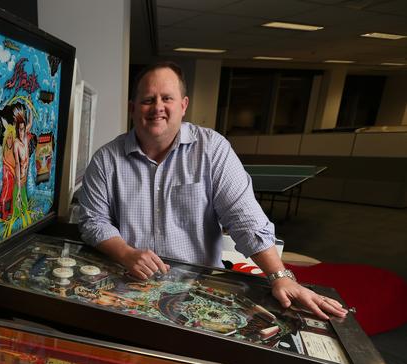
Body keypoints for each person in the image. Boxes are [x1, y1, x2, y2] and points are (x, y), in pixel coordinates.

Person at [78, 61, 347, 320]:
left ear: (183, 106)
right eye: (148, 99)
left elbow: (244, 219)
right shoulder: (106, 159)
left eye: (167, 98)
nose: (157, 107)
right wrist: (126, 253)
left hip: (198, 291)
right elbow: (93, 221)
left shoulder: (212, 150)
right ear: (133, 108)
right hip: (130, 289)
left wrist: (279, 276)